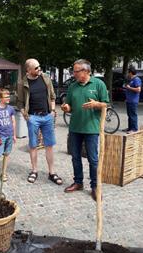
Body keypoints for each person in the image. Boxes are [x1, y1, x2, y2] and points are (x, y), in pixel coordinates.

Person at [61, 59, 109, 201]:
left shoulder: (98, 84)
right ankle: (78, 182)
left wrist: (97, 104)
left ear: (86, 71)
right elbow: (69, 105)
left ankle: (95, 187)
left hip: (92, 128)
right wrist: (66, 107)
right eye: (73, 71)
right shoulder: (72, 86)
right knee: (75, 157)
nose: (74, 74)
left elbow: (106, 104)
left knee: (93, 159)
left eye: (76, 71)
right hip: (75, 127)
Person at [17, 58, 62, 185]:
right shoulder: (22, 83)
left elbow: (52, 96)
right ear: (28, 70)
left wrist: (53, 111)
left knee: (49, 145)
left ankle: (52, 172)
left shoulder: (45, 78)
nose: (39, 69)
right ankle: (34, 171)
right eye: (36, 68)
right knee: (33, 145)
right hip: (33, 118)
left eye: (39, 67)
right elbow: (19, 102)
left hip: (47, 116)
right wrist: (25, 115)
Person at [124, 66, 142, 133]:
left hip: (133, 101)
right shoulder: (131, 79)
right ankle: (130, 128)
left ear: (131, 73)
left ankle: (134, 129)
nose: (128, 74)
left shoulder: (136, 79)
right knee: (129, 115)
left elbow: (138, 89)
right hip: (129, 100)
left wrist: (129, 88)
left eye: (128, 72)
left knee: (133, 115)